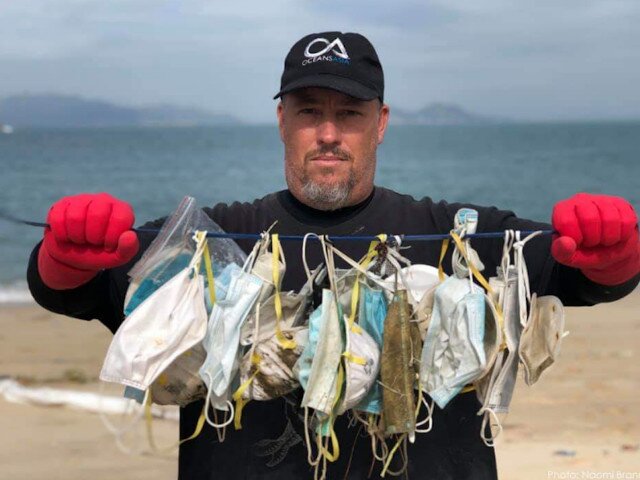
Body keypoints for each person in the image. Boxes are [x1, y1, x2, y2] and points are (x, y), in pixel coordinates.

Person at [27, 31, 639, 480]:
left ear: (381, 124)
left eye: (349, 114)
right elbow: (82, 290)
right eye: (309, 112)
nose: (327, 132)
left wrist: (612, 250)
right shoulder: (212, 243)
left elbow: (580, 275)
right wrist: (68, 253)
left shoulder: (459, 237)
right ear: (281, 120)